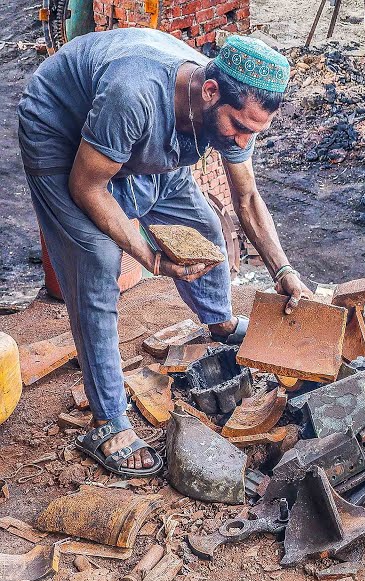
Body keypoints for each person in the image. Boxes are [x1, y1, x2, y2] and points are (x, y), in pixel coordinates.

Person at [18, 29, 312, 477]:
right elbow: (87, 185)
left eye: (252, 133)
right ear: (210, 92)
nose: (240, 141)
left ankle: (220, 321)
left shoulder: (229, 110)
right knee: (98, 263)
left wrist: (284, 271)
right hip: (63, 130)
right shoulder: (135, 94)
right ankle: (109, 421)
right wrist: (148, 255)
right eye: (238, 127)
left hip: (139, 144)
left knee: (204, 226)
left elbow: (247, 200)